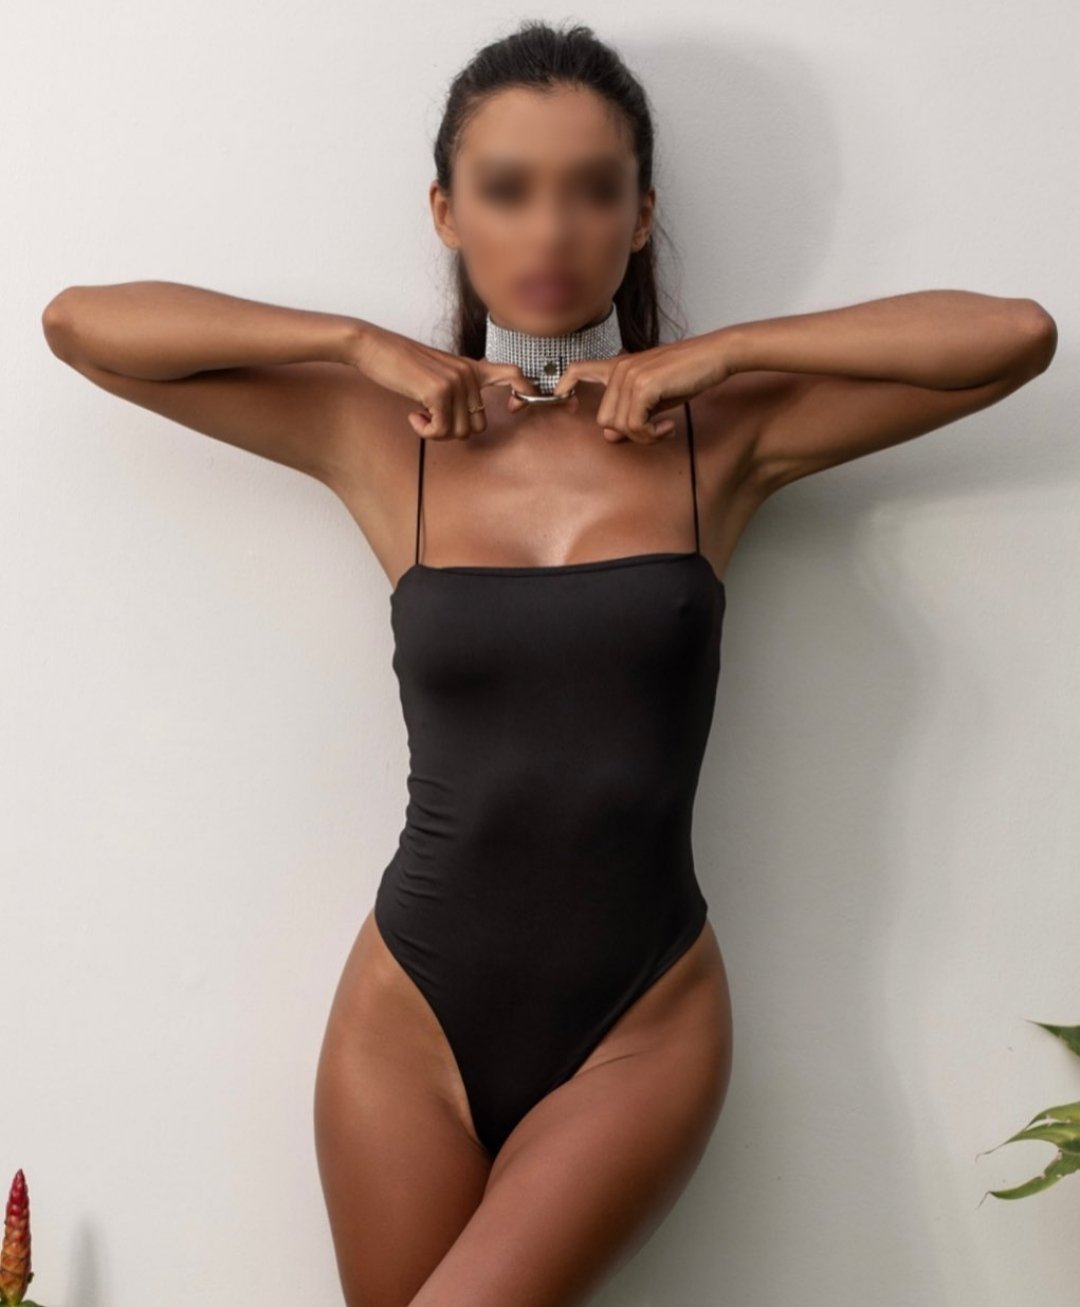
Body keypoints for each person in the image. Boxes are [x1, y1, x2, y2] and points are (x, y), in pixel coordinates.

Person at [41, 19, 1056, 1307]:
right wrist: (354, 343)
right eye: (508, 189)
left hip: (642, 1020)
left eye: (592, 190)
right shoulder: (384, 435)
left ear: (641, 216)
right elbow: (81, 324)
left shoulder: (723, 437)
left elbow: (1013, 335)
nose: (551, 229)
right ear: (447, 212)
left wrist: (726, 353)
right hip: (406, 1021)